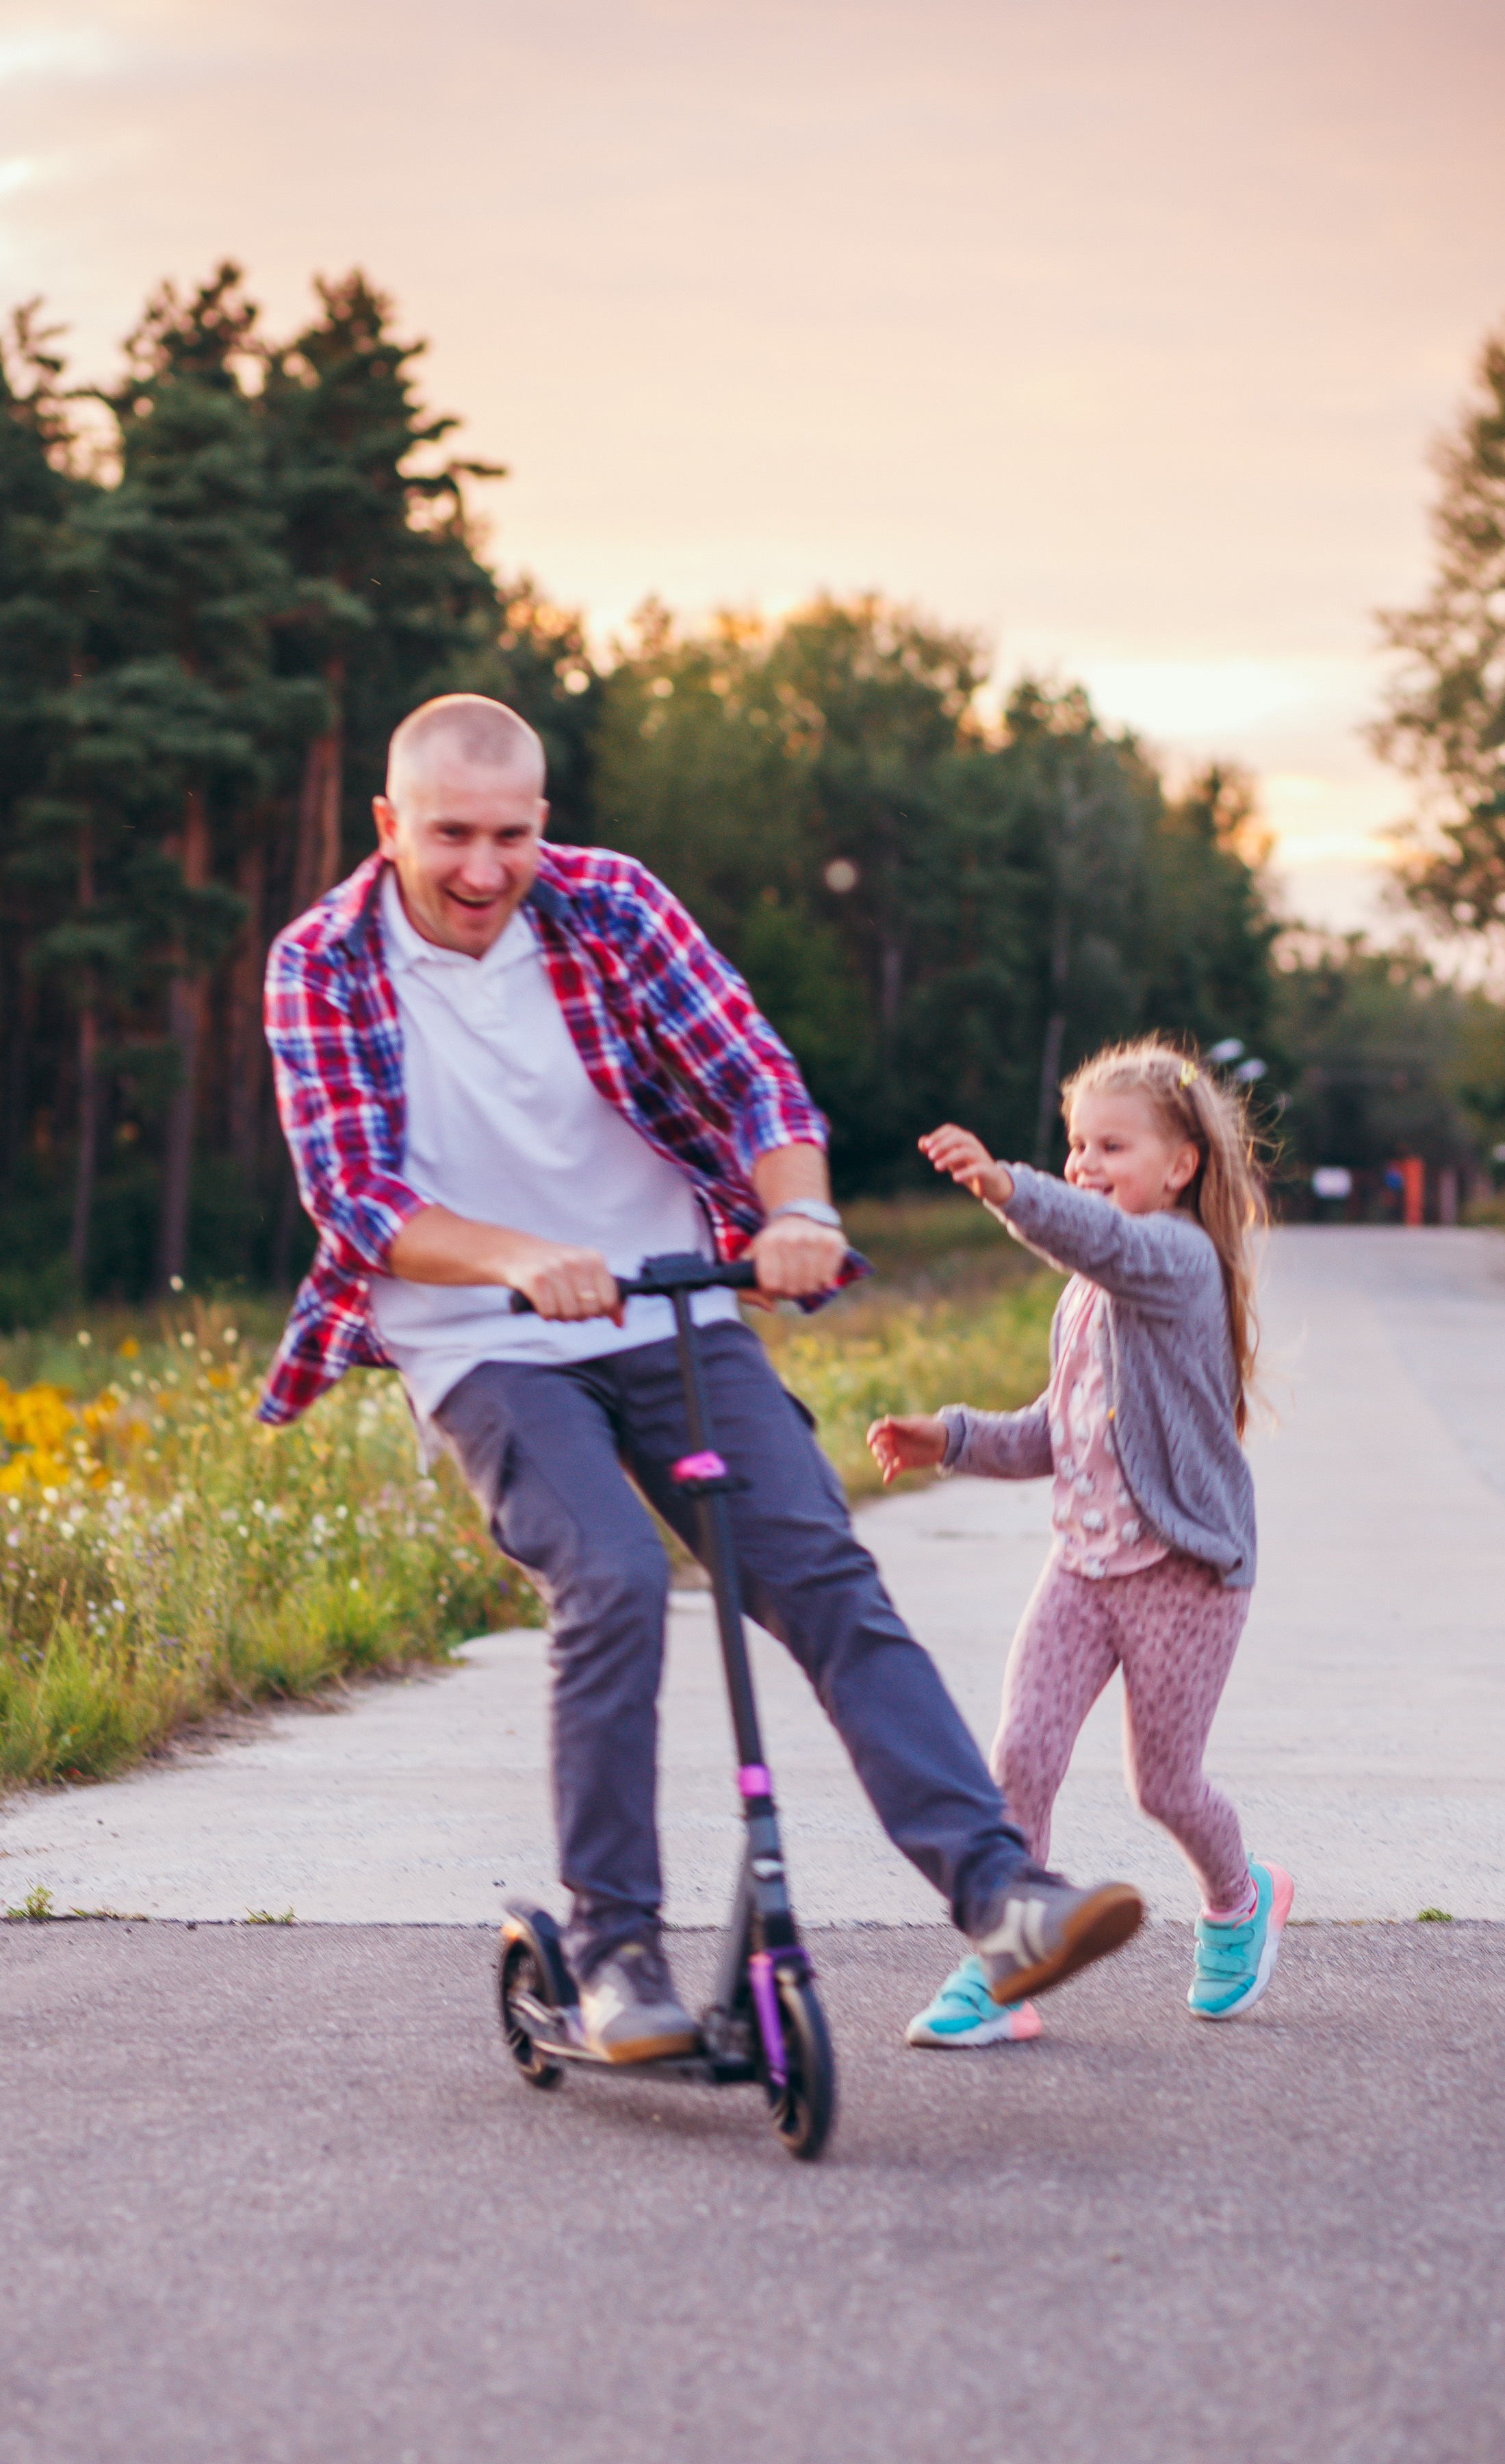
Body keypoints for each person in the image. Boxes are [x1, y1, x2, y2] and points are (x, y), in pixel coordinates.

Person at [260, 692, 1145, 2063]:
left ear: (543, 822)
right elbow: (359, 1200)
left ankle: (1002, 1896)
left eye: (510, 834)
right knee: (609, 1575)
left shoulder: (610, 904)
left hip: (668, 1307)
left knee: (819, 1569)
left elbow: (754, 1079)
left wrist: (801, 1216)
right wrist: (523, 1261)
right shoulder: (320, 961)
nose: (484, 869)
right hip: (482, 1338)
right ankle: (615, 1954)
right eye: (450, 836)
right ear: (389, 825)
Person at [867, 1038, 1291, 2049]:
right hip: (1083, 1569)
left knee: (1166, 1786)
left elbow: (1101, 1238)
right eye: (1073, 1146)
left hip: (1183, 1575)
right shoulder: (1085, 1294)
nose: (1086, 1164)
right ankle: (1005, 1964)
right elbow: (1054, 1434)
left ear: (1180, 1165)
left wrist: (1007, 1185)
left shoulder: (1177, 1260)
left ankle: (1240, 1897)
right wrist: (953, 1437)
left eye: (1112, 1145)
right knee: (1020, 1754)